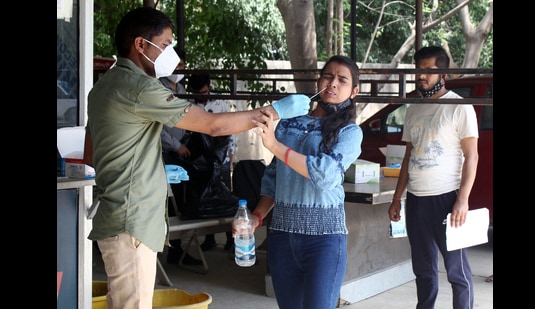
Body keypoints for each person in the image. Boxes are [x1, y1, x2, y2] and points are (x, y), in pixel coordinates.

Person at [83, 7, 310, 309]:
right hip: (131, 219)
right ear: (140, 44)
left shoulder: (104, 86)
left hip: (120, 215)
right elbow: (213, 125)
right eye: (164, 45)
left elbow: (90, 153)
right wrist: (273, 112)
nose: (170, 54)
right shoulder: (138, 86)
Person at [238, 55, 363, 309]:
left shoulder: (349, 132)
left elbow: (326, 175)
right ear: (318, 81)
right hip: (282, 237)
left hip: (325, 240)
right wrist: (256, 218)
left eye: (342, 80)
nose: (333, 84)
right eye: (328, 76)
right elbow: (273, 179)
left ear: (354, 91)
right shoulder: (288, 125)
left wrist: (274, 145)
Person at [387, 46, 479, 309]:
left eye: (429, 71)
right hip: (417, 201)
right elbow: (408, 156)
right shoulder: (414, 107)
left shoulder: (460, 108)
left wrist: (462, 199)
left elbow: (472, 156)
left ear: (444, 74)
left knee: (457, 272)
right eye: (419, 71)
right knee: (424, 271)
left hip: (447, 201)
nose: (422, 77)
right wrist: (397, 197)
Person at [157, 48, 203, 265]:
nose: (179, 70)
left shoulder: (182, 88)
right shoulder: (157, 87)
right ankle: (164, 248)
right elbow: (158, 128)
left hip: (181, 150)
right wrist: (176, 146)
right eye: (175, 66)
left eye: (182, 66)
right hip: (164, 153)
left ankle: (176, 249)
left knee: (182, 196)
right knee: (167, 199)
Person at [185, 73, 236, 252]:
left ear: (209, 87)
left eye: (204, 91)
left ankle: (231, 237)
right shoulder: (189, 105)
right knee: (205, 196)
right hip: (201, 159)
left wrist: (231, 152)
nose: (202, 95)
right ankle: (210, 238)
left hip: (220, 155)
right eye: (198, 92)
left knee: (225, 195)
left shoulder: (220, 103)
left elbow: (231, 128)